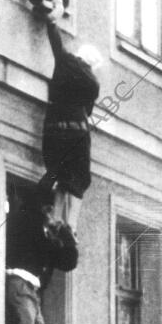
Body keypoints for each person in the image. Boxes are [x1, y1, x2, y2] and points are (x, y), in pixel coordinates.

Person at [38, 22, 100, 205]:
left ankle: (41, 204)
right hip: (77, 131)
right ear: (92, 64)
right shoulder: (93, 83)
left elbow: (55, 41)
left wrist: (51, 22)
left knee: (55, 169)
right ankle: (64, 223)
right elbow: (88, 112)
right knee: (79, 177)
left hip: (52, 127)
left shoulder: (64, 60)